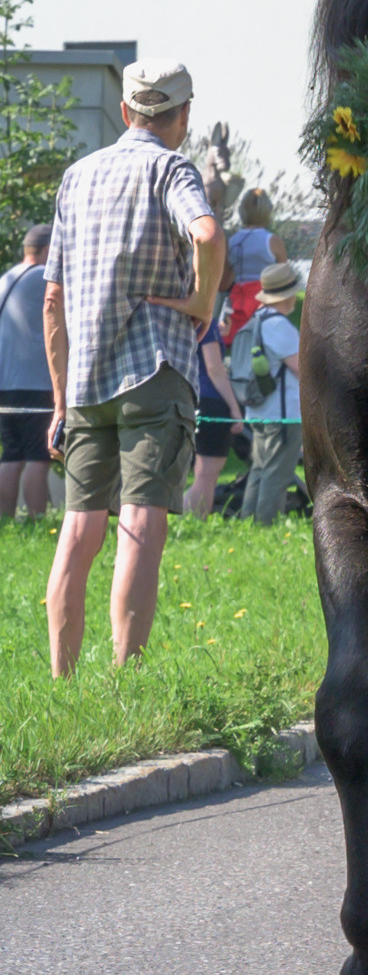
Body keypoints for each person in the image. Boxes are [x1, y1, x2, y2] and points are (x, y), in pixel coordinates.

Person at [42, 60, 223, 676]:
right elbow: (206, 232)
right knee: (141, 520)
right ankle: (127, 676)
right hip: (156, 365)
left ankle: (62, 679)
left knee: (78, 527)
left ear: (125, 112)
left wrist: (62, 401)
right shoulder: (171, 167)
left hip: (88, 378)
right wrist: (202, 301)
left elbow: (53, 299)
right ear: (184, 116)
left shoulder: (77, 176)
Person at [236, 261, 304, 524]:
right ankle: (266, 525)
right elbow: (302, 368)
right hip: (283, 415)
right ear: (285, 296)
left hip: (258, 409)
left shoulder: (257, 320)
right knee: (277, 472)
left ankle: (248, 522)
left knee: (260, 469)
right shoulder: (279, 326)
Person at [1, 224, 55, 517]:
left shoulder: (5, 278)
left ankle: (4, 518)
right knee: (38, 455)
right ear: (48, 250)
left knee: (11, 454)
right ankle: (36, 519)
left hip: (5, 383)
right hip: (35, 382)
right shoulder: (42, 278)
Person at [185, 304, 241, 518]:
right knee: (208, 473)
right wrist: (235, 408)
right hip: (211, 400)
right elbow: (215, 369)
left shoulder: (183, 320)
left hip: (191, 397)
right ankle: (193, 520)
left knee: (201, 471)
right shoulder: (205, 322)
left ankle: (191, 520)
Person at [225, 188, 278, 342]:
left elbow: (225, 283)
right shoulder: (273, 241)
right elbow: (284, 279)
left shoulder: (233, 241)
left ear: (243, 210)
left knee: (239, 343)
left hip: (238, 298)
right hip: (264, 298)